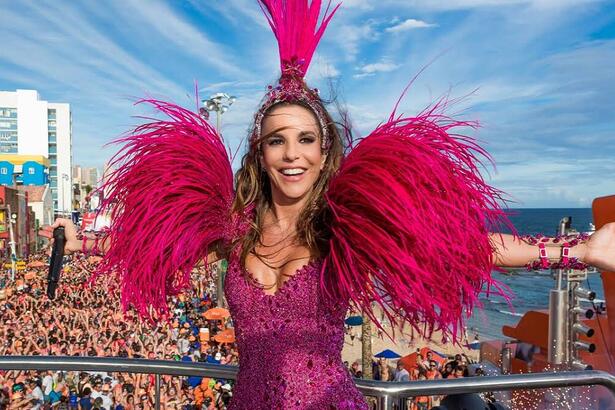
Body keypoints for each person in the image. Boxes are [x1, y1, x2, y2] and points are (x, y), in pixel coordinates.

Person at [43, 0, 615, 408]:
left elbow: (469, 248)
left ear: (324, 150)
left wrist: (580, 250)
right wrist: (76, 240)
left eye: (305, 139)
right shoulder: (234, 229)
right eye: (276, 140)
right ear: (260, 153)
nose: (292, 154)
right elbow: (152, 241)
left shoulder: (346, 230)